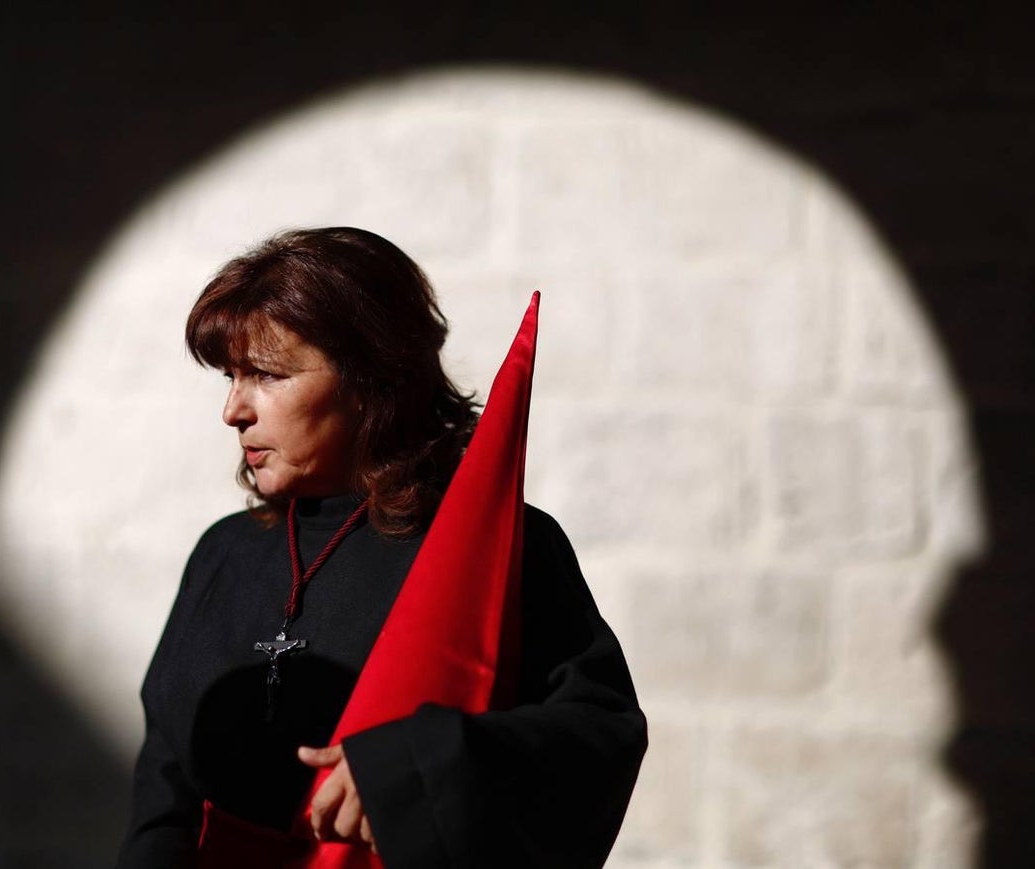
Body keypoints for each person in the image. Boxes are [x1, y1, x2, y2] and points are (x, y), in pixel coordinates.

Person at [116, 227, 647, 868]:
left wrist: (420, 766)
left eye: (267, 374)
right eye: (231, 376)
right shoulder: (224, 554)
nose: (233, 410)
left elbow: (598, 736)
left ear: (371, 379)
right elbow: (164, 791)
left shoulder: (500, 548)